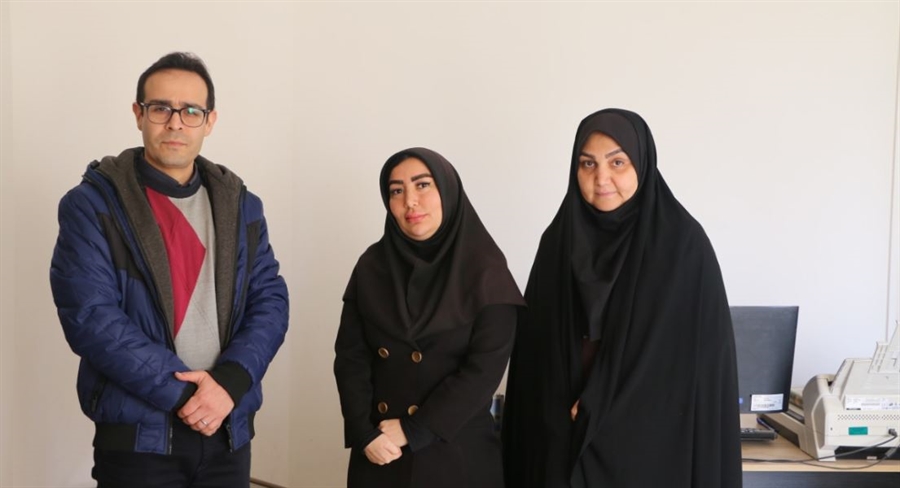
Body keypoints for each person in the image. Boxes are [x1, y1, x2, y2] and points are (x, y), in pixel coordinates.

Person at [49, 52, 289, 488]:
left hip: (228, 430)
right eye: (161, 108)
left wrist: (229, 383)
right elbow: (91, 317)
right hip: (139, 441)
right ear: (138, 114)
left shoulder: (241, 205)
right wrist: (188, 396)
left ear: (209, 121)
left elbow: (270, 300)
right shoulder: (93, 205)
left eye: (191, 111)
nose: (176, 123)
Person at [502, 109, 742, 487]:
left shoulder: (681, 246)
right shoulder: (558, 242)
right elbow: (534, 356)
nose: (601, 178)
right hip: (562, 441)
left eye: (617, 162)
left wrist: (601, 401)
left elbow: (692, 364)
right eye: (588, 164)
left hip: (648, 446)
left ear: (641, 165)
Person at [334, 147, 526, 487]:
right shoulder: (371, 266)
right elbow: (351, 357)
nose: (409, 201)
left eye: (422, 185)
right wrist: (362, 432)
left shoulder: (487, 271)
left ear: (448, 191)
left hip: (456, 456)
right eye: (396, 191)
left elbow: (482, 372)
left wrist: (414, 429)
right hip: (380, 450)